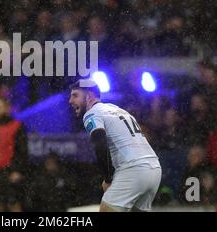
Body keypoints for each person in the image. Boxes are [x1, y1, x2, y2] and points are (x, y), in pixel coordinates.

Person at [68, 79, 161, 212]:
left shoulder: (92, 113)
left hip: (132, 170)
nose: (70, 100)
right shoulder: (118, 110)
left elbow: (100, 145)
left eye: (75, 95)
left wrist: (108, 178)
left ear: (89, 96)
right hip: (154, 169)